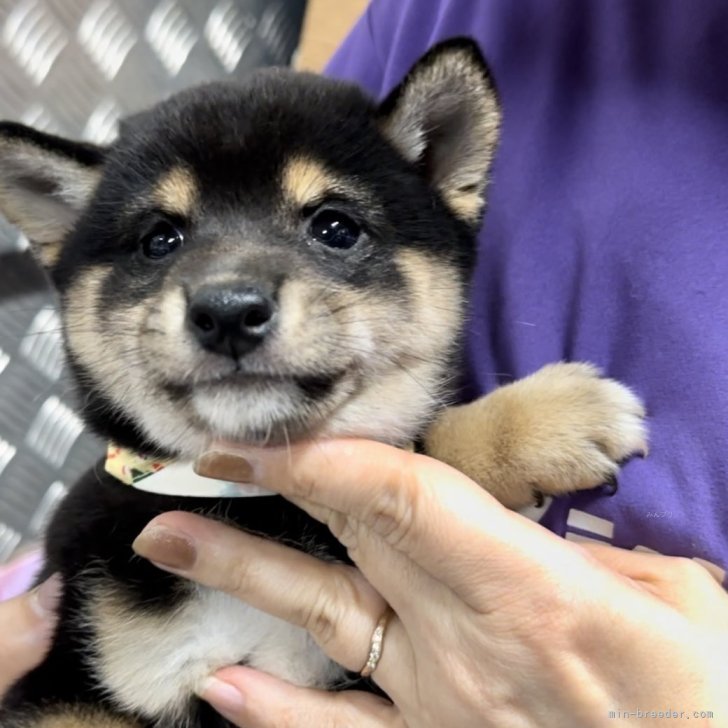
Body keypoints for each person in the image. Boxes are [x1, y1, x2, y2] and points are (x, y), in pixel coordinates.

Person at [3, 0, 728, 724]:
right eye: (160, 240)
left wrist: (470, 453)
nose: (226, 297)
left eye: (334, 227)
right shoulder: (429, 13)